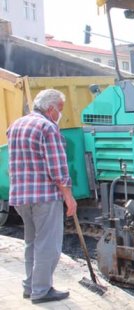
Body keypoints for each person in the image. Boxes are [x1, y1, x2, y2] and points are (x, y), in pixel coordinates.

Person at [6, 89, 77, 304]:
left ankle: (30, 286)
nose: (59, 115)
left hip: (20, 196)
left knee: (32, 242)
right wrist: (69, 197)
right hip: (44, 196)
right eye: (59, 111)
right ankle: (41, 290)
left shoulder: (16, 125)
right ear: (50, 108)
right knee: (48, 245)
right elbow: (57, 168)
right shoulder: (48, 127)